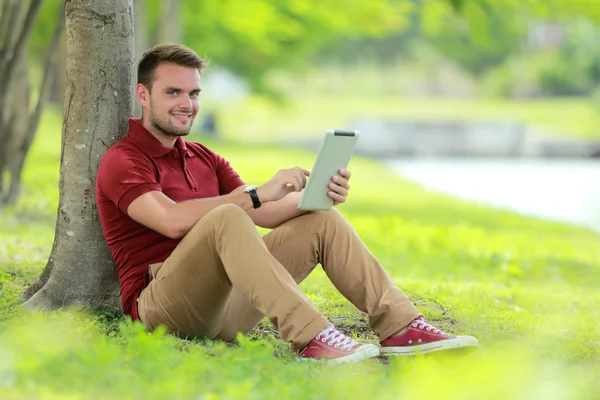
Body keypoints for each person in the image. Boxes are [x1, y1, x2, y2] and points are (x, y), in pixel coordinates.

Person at [96, 44, 479, 365]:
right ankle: (313, 336)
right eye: (173, 93)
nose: (187, 104)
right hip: (162, 307)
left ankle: (400, 326)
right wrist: (256, 193)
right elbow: (170, 221)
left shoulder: (204, 157)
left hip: (226, 308)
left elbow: (262, 212)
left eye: (194, 94)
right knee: (228, 214)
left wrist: (318, 196)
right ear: (143, 95)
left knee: (321, 221)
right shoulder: (123, 159)